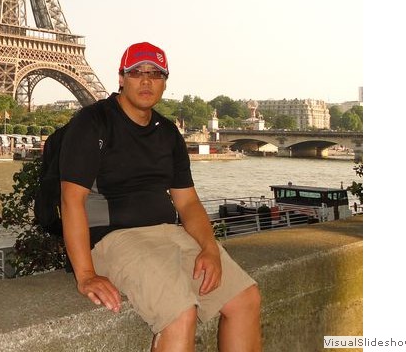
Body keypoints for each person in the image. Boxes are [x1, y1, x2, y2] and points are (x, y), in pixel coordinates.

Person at [59, 42, 262, 351]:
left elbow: (188, 203)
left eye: (155, 74)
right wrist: (85, 274)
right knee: (180, 314)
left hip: (168, 234)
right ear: (121, 78)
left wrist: (209, 249)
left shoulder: (167, 133)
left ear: (164, 83)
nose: (146, 80)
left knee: (245, 298)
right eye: (137, 72)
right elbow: (71, 201)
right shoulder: (92, 123)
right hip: (115, 238)